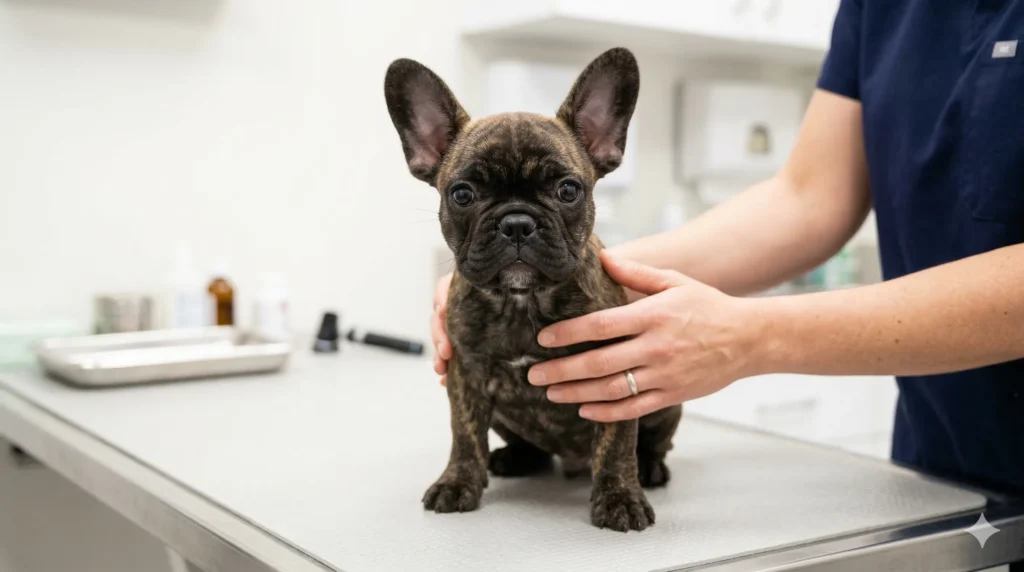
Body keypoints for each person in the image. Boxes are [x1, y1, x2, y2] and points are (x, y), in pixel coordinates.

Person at [431, 0, 1024, 508]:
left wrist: (752, 335)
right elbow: (809, 198)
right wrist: (604, 274)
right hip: (938, 456)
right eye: (467, 195)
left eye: (562, 191)